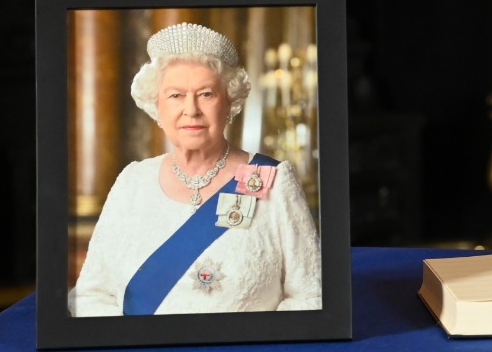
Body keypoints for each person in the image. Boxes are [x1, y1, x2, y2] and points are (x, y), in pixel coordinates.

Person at [69, 22, 322, 315]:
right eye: (176, 96)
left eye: (206, 94)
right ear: (157, 106)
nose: (191, 109)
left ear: (230, 103)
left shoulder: (270, 180)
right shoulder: (132, 183)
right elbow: (91, 295)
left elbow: (311, 297)